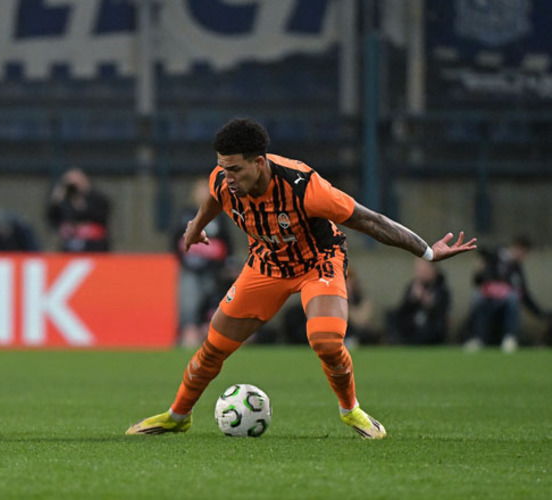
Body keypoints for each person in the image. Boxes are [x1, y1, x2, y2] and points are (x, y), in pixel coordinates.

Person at [125, 118, 476, 439]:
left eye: (235, 169)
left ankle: (351, 410)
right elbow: (214, 200)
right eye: (223, 168)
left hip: (317, 262)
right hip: (267, 264)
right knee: (214, 346)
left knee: (326, 341)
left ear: (259, 162)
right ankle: (178, 416)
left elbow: (371, 221)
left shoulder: (305, 187)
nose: (227, 177)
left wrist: (427, 252)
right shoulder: (223, 180)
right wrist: (195, 227)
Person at [172, 180, 234, 347]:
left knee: (212, 301)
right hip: (190, 269)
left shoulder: (219, 215)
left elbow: (227, 244)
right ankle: (188, 333)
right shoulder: (186, 214)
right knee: (189, 302)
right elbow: (175, 240)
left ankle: (209, 335)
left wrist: (222, 263)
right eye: (200, 190)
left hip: (212, 270)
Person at [465, 236, 547, 353]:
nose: (523, 257)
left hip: (505, 300)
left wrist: (540, 313)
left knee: (513, 298)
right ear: (518, 247)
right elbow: (478, 280)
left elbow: (523, 293)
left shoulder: (516, 267)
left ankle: (509, 338)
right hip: (488, 295)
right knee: (478, 297)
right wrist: (481, 270)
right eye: (524, 253)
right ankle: (477, 338)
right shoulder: (495, 255)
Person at [47, 167, 111, 252]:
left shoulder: (97, 198)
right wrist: (56, 201)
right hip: (69, 246)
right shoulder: (64, 201)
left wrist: (80, 201)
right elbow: (53, 219)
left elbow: (100, 217)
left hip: (94, 246)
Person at [388, 258, 451, 345]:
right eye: (418, 269)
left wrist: (428, 302)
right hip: (412, 327)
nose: (421, 272)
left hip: (431, 329)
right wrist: (412, 299)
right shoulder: (412, 287)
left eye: (424, 268)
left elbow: (442, 313)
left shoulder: (441, 289)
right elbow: (402, 311)